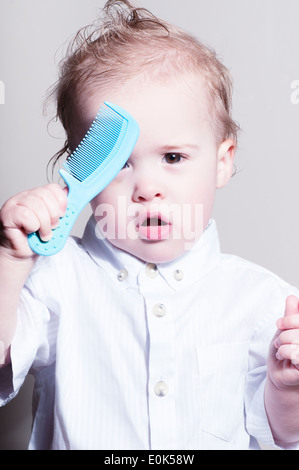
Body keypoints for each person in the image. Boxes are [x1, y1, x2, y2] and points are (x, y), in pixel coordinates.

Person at [0, 0, 299, 450]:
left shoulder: (264, 303)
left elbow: (285, 435)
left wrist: (287, 391)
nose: (147, 188)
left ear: (222, 163)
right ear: (82, 166)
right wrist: (9, 262)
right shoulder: (56, 280)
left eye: (173, 158)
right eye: (117, 163)